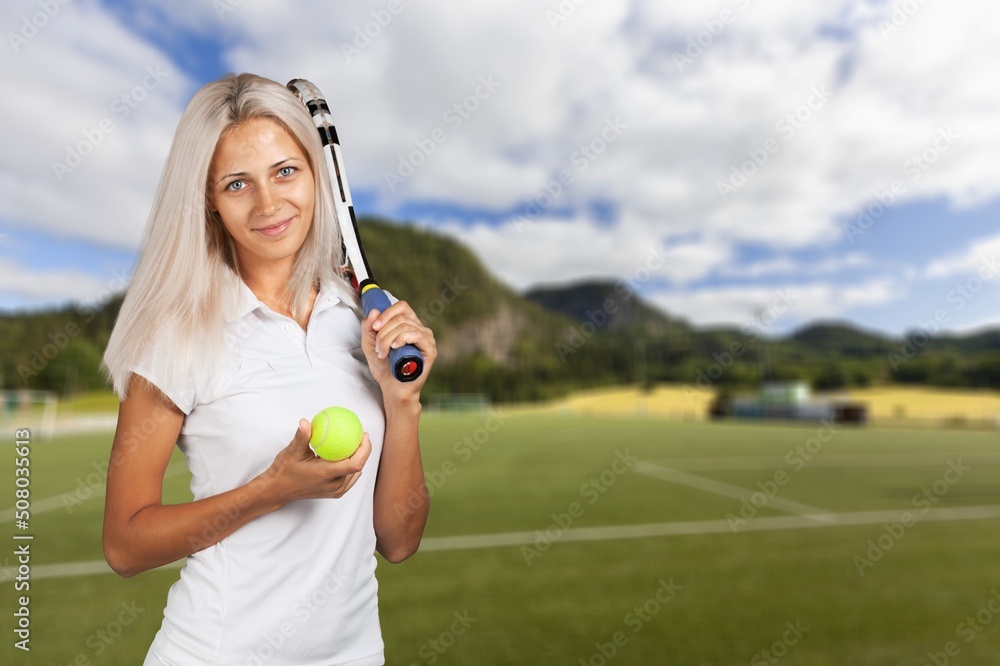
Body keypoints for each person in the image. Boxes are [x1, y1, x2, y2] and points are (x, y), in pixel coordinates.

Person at [101, 72, 436, 666]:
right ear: (208, 198)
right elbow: (125, 545)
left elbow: (399, 541)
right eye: (237, 184)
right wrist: (270, 492)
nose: (269, 203)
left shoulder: (357, 320)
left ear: (316, 173)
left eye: (286, 171)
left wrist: (401, 404)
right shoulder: (174, 335)